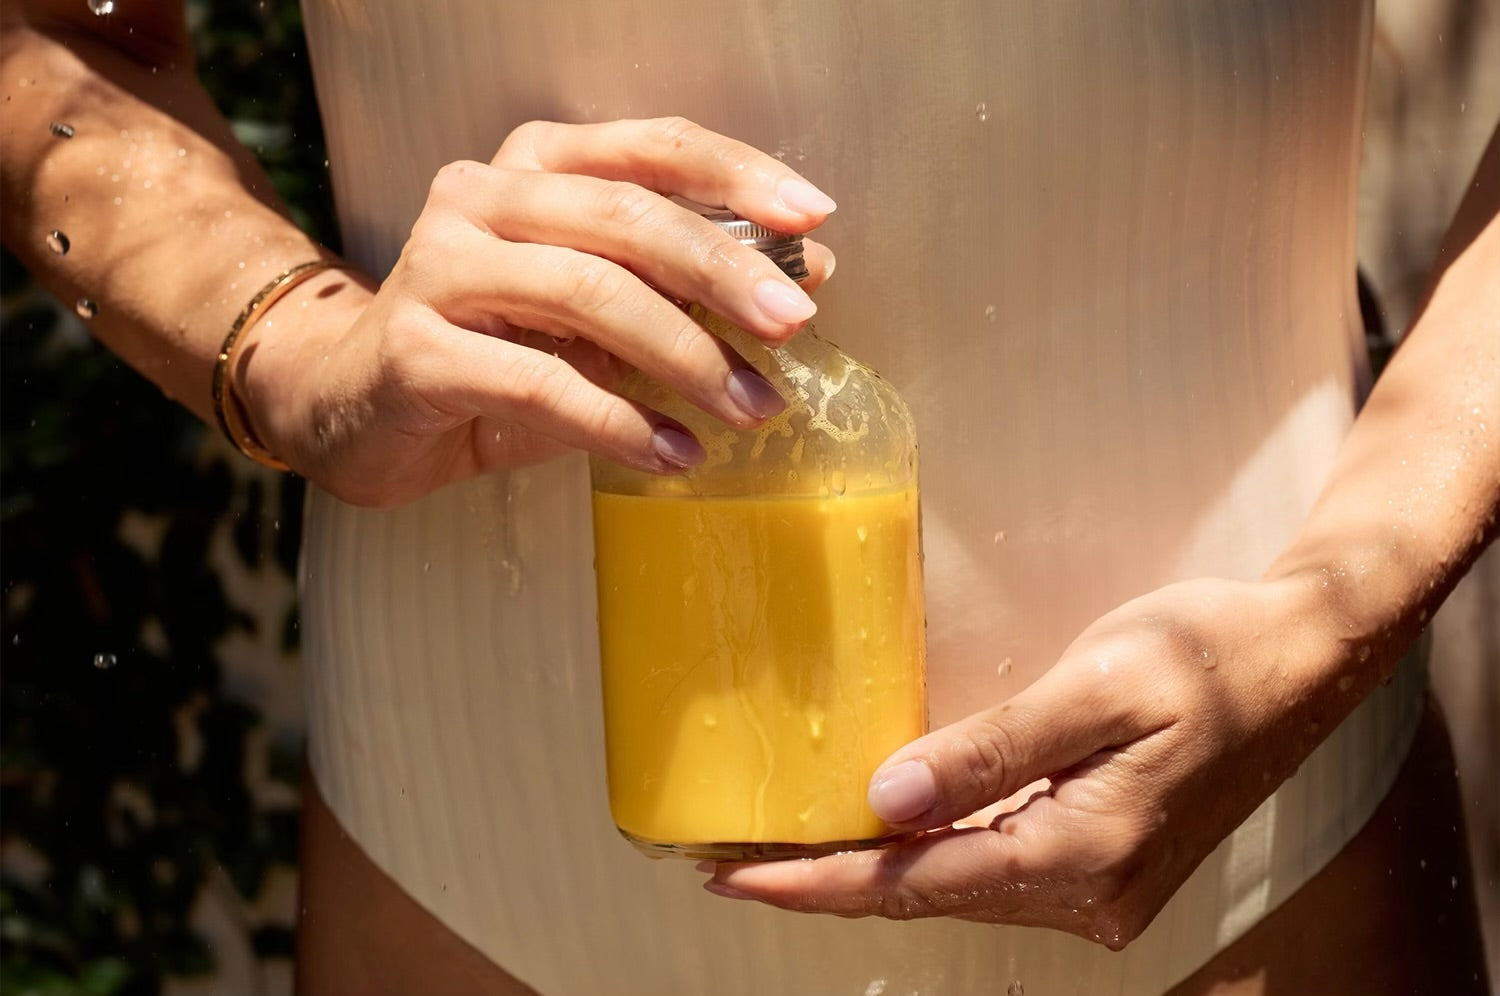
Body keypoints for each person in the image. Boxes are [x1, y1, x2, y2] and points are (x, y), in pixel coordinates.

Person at [3, 1, 1495, 993]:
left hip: (1269, 864)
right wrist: (286, 339)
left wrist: (1338, 607)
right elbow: (50, 37)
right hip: (466, 876)